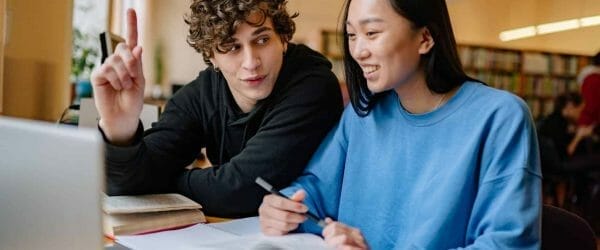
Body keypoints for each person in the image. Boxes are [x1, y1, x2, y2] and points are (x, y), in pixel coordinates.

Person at [258, 0, 541, 249]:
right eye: (352, 35)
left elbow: (506, 243)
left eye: (371, 33)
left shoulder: (499, 118)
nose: (358, 51)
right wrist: (284, 207)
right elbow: (315, 189)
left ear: (425, 38)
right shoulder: (362, 114)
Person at [90, 0, 343, 218]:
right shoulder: (202, 93)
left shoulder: (313, 85)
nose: (251, 62)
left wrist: (157, 182)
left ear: (284, 40)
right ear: (211, 55)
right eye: (232, 47)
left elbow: (243, 189)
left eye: (263, 40)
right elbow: (126, 184)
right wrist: (119, 130)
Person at [567, 51, 600, 156]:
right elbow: (594, 106)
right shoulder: (595, 79)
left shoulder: (589, 78)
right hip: (591, 127)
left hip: (586, 125)